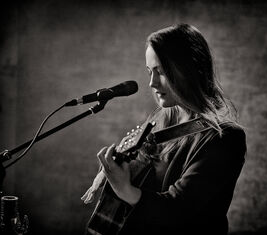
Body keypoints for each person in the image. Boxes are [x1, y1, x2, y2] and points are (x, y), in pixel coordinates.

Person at [81, 23, 246, 235]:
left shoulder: (225, 139)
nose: (151, 82)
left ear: (189, 69)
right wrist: (117, 169)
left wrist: (124, 189)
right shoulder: (159, 124)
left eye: (161, 71)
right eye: (149, 71)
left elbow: (178, 212)